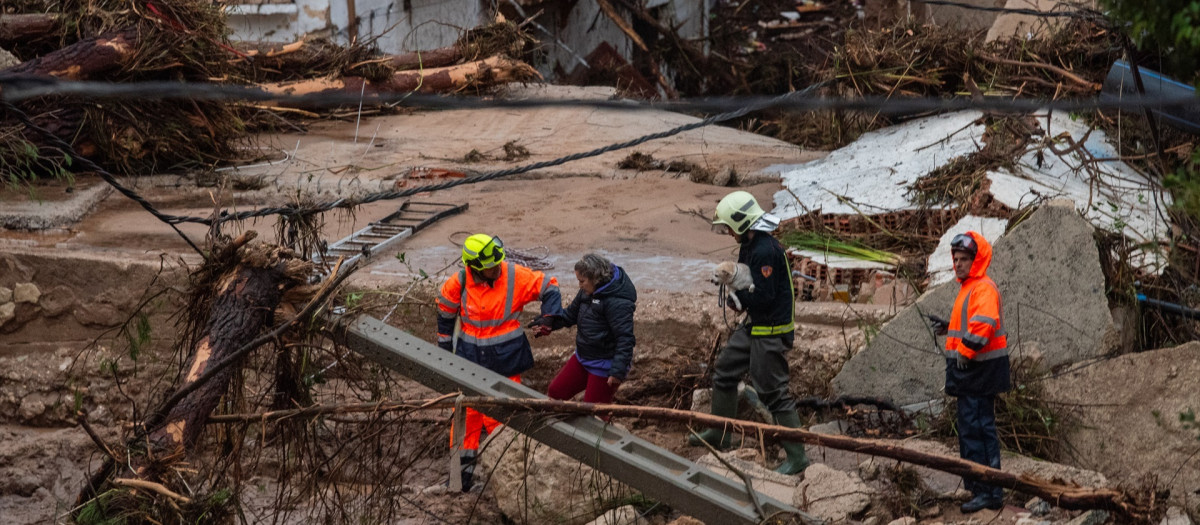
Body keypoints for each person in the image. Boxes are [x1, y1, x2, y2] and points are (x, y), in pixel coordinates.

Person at [687, 191, 810, 476]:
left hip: (771, 329)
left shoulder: (766, 250)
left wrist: (739, 299)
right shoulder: (750, 245)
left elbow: (764, 296)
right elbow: (748, 281)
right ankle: (720, 434)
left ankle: (797, 456)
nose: (728, 233)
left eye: (729, 227)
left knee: (773, 392)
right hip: (756, 324)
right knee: (725, 371)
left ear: (741, 223)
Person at [436, 233, 564, 490]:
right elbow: (445, 318)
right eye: (490, 267)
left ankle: (509, 481)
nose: (496, 269)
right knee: (464, 421)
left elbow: (549, 285)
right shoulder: (457, 284)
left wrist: (550, 316)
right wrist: (444, 356)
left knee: (504, 422)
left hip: (506, 364)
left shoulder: (513, 275)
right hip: (469, 364)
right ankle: (460, 481)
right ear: (474, 268)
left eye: (497, 264)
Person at [932, 232, 1011, 513]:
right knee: (971, 431)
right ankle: (979, 488)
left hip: (979, 374)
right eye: (955, 258)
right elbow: (971, 324)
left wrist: (964, 352)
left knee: (979, 431)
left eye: (964, 259)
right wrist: (947, 328)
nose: (958, 263)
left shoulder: (983, 288)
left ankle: (989, 491)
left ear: (976, 260)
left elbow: (984, 324)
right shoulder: (970, 288)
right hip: (972, 375)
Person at [544, 253, 637, 406]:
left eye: (582, 281)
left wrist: (617, 371)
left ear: (595, 278)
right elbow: (570, 315)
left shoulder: (618, 303)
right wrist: (548, 322)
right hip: (583, 357)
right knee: (556, 392)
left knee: (594, 414)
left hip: (604, 365)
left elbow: (625, 339)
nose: (579, 285)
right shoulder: (587, 290)